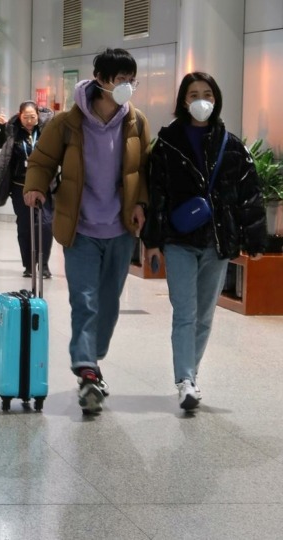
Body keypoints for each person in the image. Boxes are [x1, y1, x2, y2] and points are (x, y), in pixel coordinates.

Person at [23, 48, 150, 414]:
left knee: (109, 305)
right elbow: (42, 160)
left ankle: (92, 359)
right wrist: (35, 186)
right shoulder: (68, 122)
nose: (127, 86)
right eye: (121, 79)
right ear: (100, 79)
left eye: (131, 80)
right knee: (85, 301)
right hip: (79, 228)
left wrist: (141, 203)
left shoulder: (136, 122)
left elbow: (144, 170)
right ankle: (87, 371)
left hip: (120, 229)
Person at [142, 72, 266, 410]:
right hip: (179, 240)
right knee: (185, 312)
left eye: (207, 94)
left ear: (216, 99)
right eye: (194, 94)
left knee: (205, 315)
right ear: (184, 101)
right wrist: (152, 241)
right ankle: (185, 379)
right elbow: (156, 195)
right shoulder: (167, 144)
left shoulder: (231, 145)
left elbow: (249, 194)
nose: (201, 100)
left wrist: (255, 240)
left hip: (217, 241)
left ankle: (190, 377)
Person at [0, 101, 55, 278]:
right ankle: (29, 265)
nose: (29, 121)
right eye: (26, 117)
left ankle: (44, 264)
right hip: (20, 186)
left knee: (46, 224)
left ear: (38, 116)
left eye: (32, 117)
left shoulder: (47, 129)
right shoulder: (12, 130)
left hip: (44, 185)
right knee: (25, 226)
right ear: (19, 116)